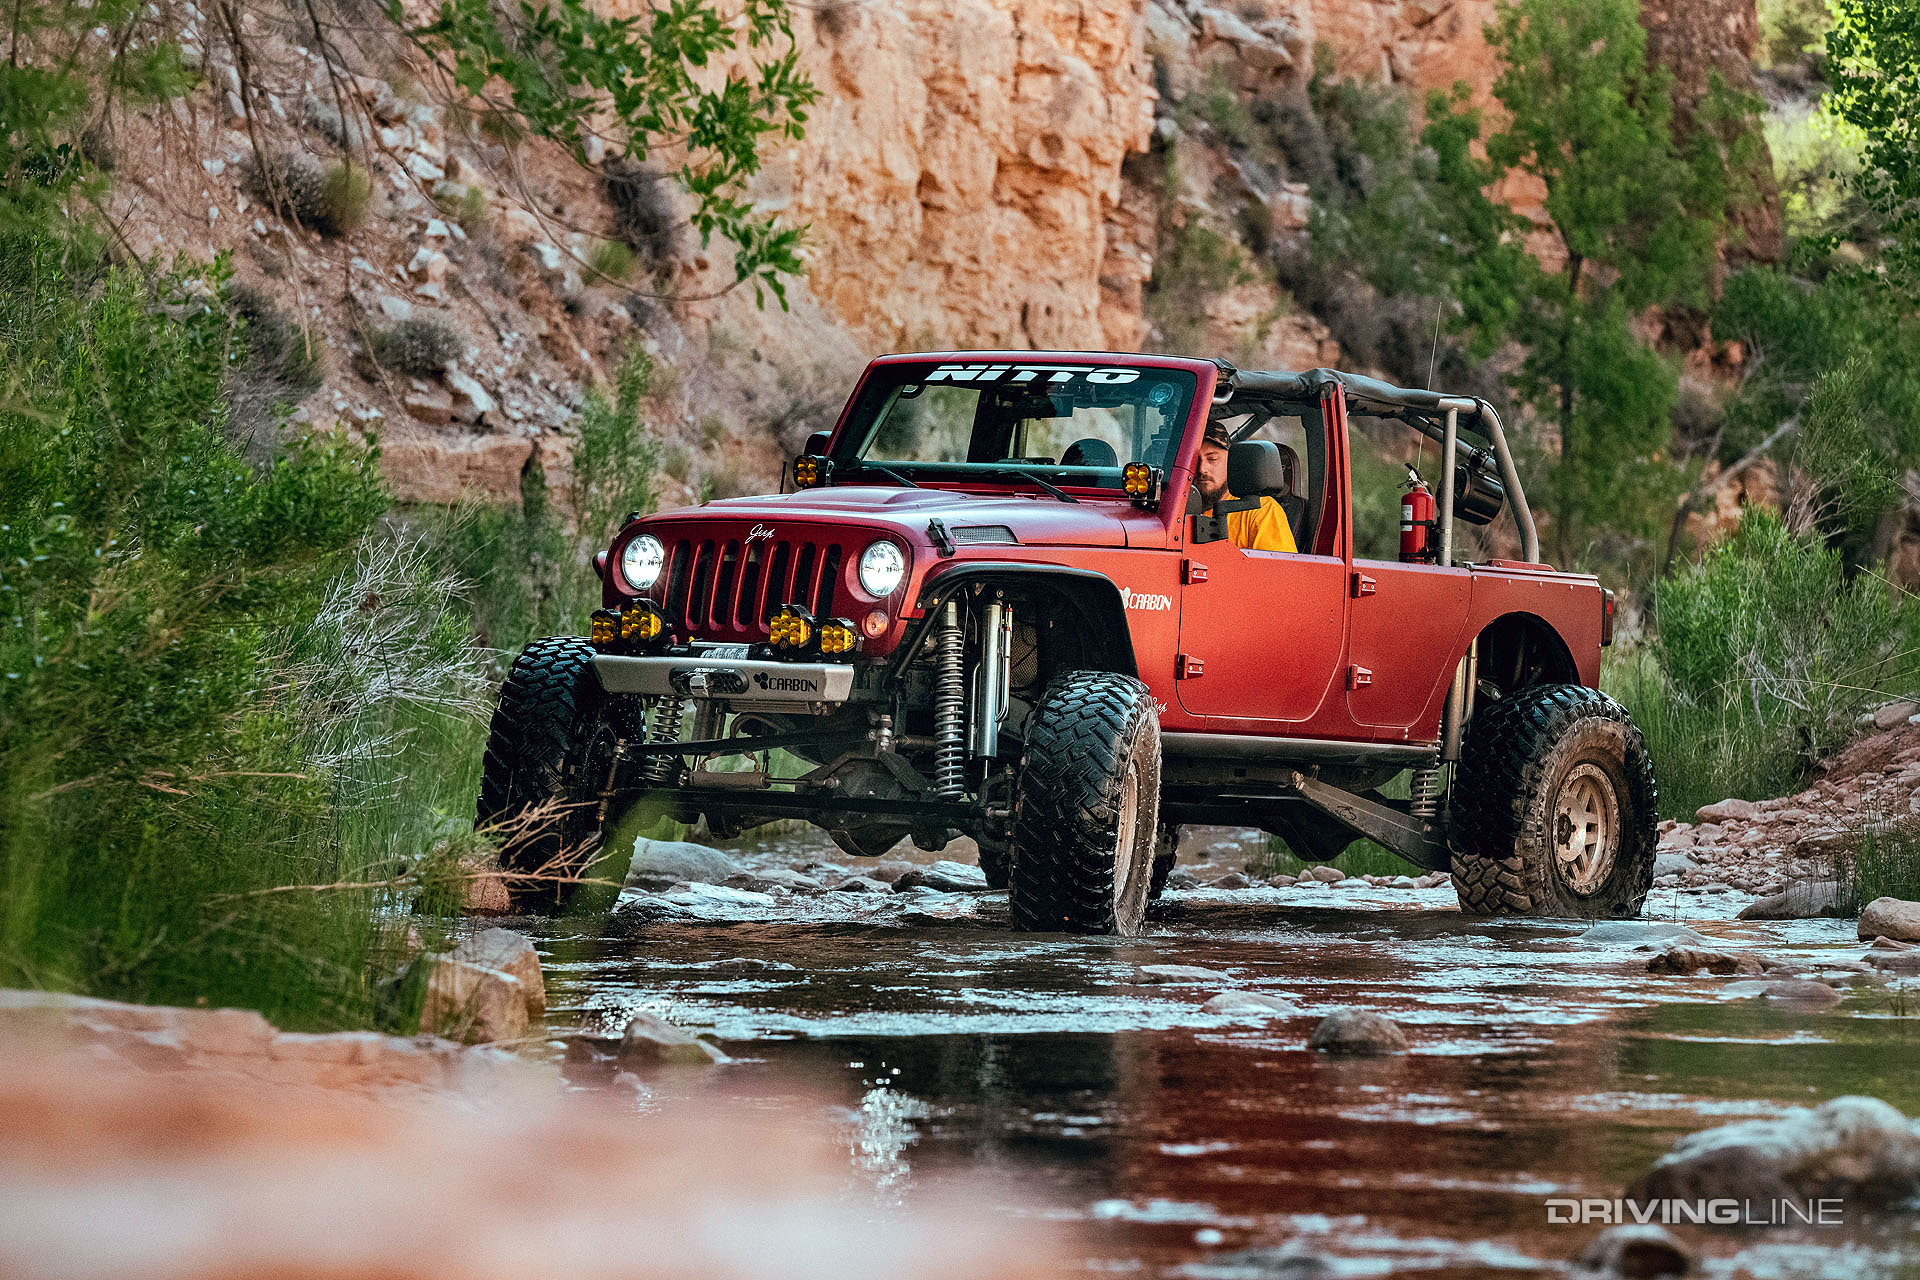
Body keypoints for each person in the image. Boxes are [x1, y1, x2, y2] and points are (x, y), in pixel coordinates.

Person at [1193, 420, 1297, 552]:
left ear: (1231, 462)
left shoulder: (1260, 510)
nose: (1202, 469)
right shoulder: (1174, 511)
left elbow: (1277, 570)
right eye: (1194, 460)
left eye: (1212, 459)